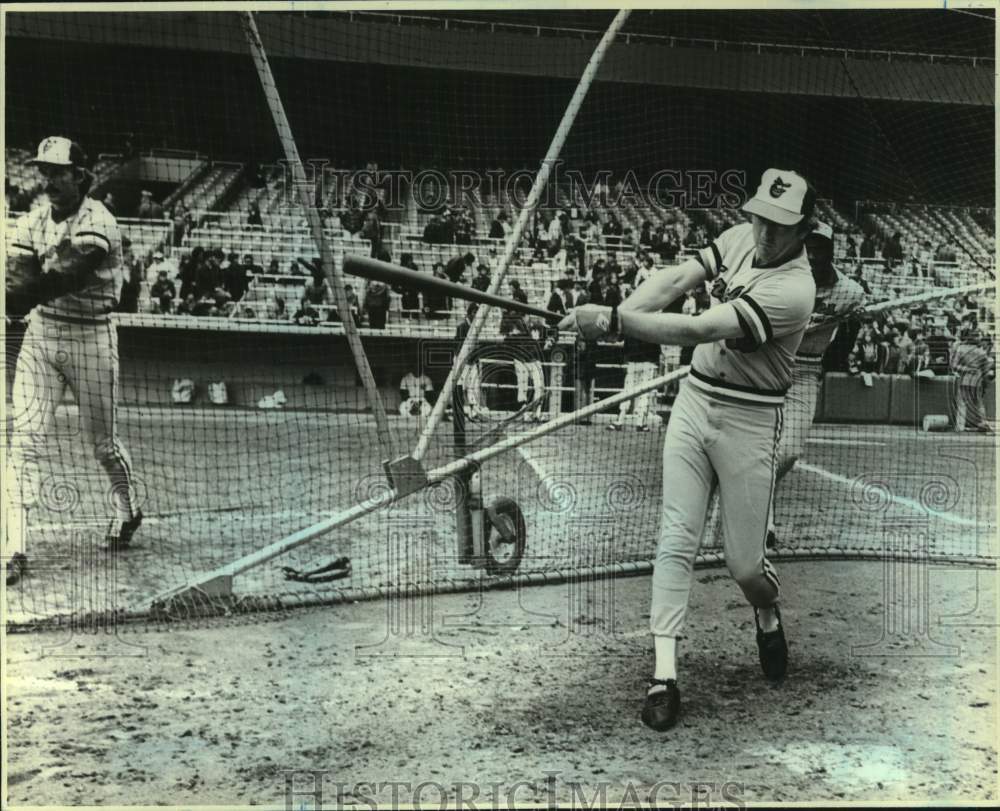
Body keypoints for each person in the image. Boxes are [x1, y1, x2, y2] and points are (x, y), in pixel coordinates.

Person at [560, 168, 818, 732]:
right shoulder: (735, 240)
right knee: (676, 537)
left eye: (780, 225)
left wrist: (611, 320)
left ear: (803, 230)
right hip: (695, 404)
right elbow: (675, 280)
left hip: (751, 421)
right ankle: (664, 674)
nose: (765, 234)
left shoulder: (796, 289)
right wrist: (614, 318)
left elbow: (703, 328)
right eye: (760, 218)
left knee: (745, 568)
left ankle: (767, 610)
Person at [5, 137, 143, 585]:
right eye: (44, 171)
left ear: (80, 176)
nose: (49, 180)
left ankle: (127, 509)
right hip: (43, 334)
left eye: (59, 171)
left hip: (92, 336)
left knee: (103, 445)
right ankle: (15, 547)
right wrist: (13, 292)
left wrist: (14, 293)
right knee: (23, 440)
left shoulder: (98, 222)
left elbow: (63, 275)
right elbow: (18, 279)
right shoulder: (31, 221)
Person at [951, 332, 994, 432]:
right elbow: (986, 369)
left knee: (962, 402)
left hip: (965, 378)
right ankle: (983, 422)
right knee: (979, 402)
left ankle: (960, 426)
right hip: (977, 379)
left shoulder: (960, 349)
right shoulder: (981, 352)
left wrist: (966, 369)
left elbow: (954, 366)